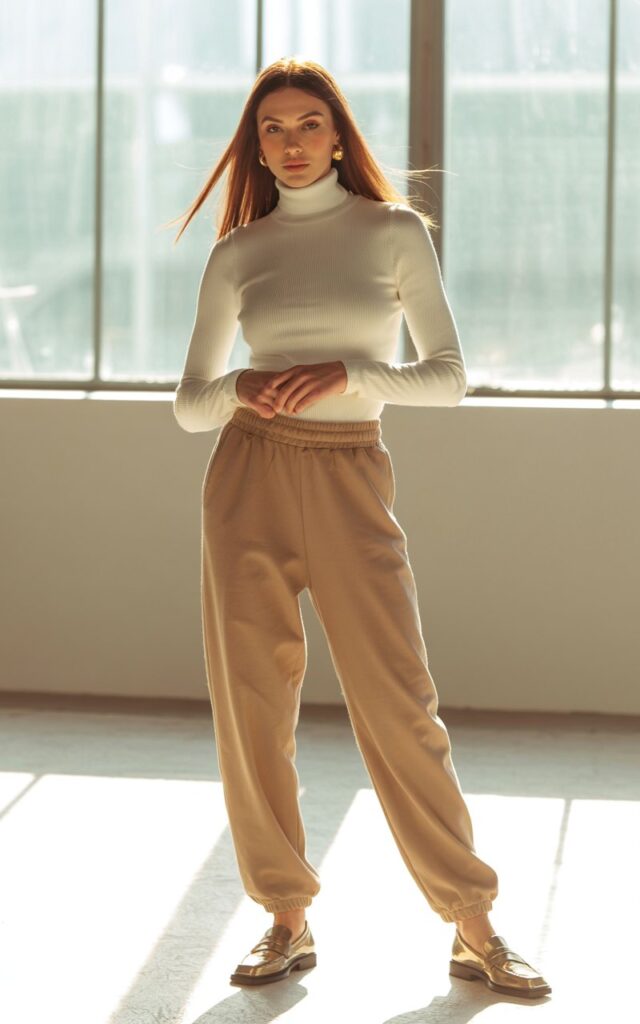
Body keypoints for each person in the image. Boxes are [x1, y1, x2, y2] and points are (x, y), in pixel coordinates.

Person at [170, 58, 551, 1000]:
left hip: (349, 475)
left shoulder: (392, 231)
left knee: (399, 703)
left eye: (309, 124)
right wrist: (240, 385)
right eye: (272, 129)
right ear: (256, 146)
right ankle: (284, 918)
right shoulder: (239, 251)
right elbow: (189, 404)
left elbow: (448, 377)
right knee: (253, 708)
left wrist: (352, 374)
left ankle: (472, 924)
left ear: (339, 135)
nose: (291, 143)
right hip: (247, 476)